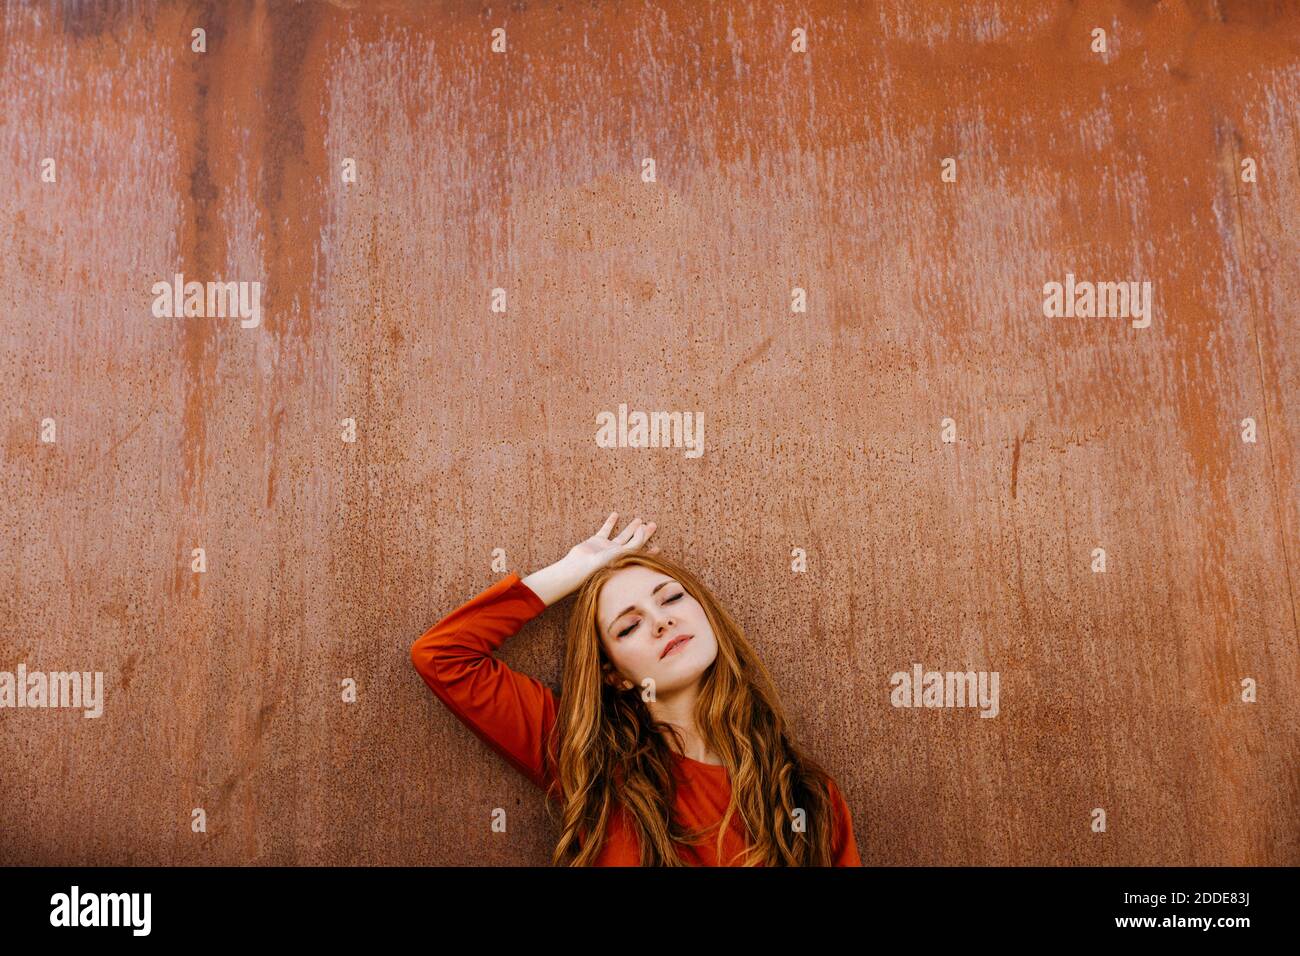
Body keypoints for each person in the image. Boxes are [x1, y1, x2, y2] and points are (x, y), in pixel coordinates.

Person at [410, 513, 862, 866]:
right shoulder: (589, 760)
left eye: (670, 598)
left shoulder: (808, 796)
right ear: (615, 675)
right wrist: (573, 570)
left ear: (707, 616)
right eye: (628, 626)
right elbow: (443, 656)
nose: (662, 621)